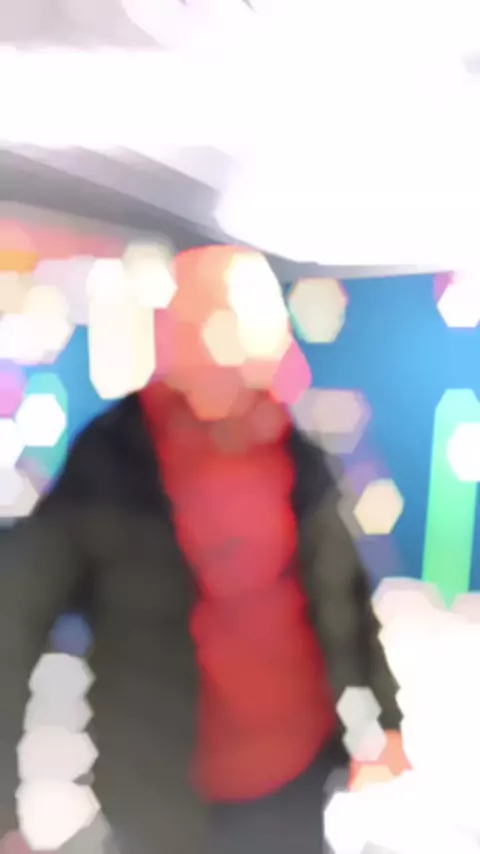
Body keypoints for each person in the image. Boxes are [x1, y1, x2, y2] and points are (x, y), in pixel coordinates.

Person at [0, 246, 405, 854]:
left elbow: (343, 593)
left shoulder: (295, 452)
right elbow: (15, 623)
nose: (214, 343)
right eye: (194, 320)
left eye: (236, 323)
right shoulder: (112, 460)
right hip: (158, 793)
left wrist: (386, 718)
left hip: (292, 782)